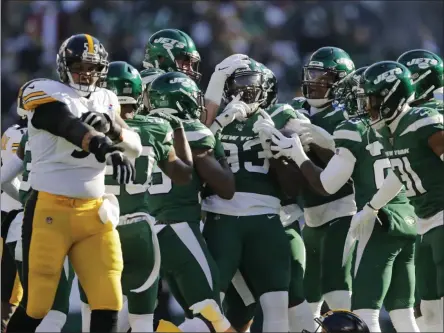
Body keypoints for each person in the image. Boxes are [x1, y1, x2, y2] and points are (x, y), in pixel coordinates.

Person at [265, 66, 419, 332]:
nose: (359, 103)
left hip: (371, 222)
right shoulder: (399, 127)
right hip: (406, 217)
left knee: (362, 313)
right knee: (403, 313)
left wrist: (299, 153)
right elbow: (399, 175)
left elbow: (328, 184)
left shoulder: (354, 128)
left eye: (365, 97)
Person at [6, 33, 141, 333]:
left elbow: (135, 145)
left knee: (108, 300)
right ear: (64, 66)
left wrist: (113, 129)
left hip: (94, 214)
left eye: (94, 68)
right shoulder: (46, 94)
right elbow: (67, 125)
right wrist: (106, 147)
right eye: (80, 65)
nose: (87, 73)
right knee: (38, 306)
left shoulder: (106, 100)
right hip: (49, 212)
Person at [79, 61, 194, 332]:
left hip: (98, 230)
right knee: (142, 322)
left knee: (91, 317)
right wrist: (177, 129)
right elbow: (184, 175)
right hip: (140, 231)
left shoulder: (83, 129)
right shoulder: (156, 127)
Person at [144, 71, 235, 332]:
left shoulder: (143, 128)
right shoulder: (194, 132)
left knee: (191, 317)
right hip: (180, 230)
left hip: (148, 229)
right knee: (212, 318)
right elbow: (226, 187)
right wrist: (220, 152)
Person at [357, 60, 444, 333]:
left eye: (370, 100)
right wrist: (371, 207)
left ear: (391, 96)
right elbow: (402, 171)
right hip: (425, 222)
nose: (366, 108)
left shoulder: (422, 122)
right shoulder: (387, 130)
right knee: (428, 310)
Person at [289, 46, 357, 317]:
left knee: (336, 286)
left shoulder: (347, 115)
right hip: (311, 216)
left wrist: (321, 142)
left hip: (343, 209)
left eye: (323, 78)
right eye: (312, 74)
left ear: (340, 84)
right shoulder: (295, 108)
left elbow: (346, 168)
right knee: (306, 298)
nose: (313, 83)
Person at [1, 117, 26, 332]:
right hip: (14, 216)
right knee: (11, 298)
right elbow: (9, 177)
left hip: (8, 211)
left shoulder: (12, 130)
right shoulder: (22, 134)